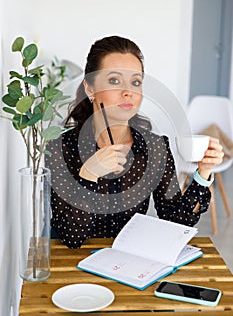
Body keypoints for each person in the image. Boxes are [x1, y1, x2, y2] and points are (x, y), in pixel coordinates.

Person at [47, 36, 224, 248]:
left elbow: (178, 221)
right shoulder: (61, 148)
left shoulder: (155, 148)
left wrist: (203, 174)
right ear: (90, 89)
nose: (128, 92)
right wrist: (89, 174)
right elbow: (71, 238)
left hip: (129, 264)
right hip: (74, 269)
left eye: (136, 82)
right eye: (114, 81)